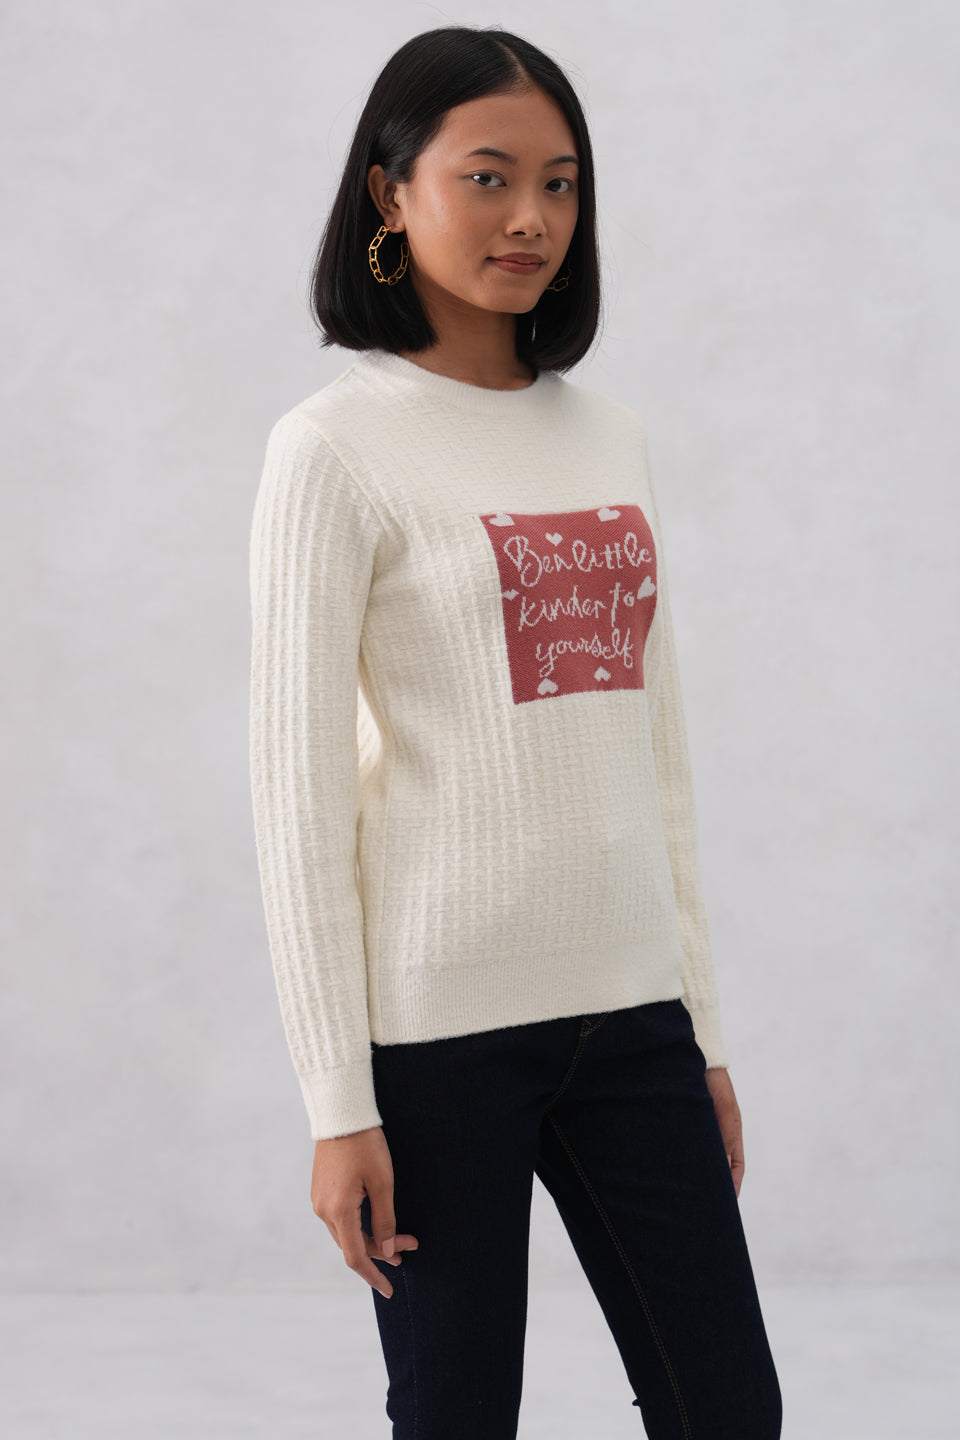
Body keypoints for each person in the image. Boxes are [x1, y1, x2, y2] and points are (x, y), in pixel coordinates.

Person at [248, 23, 783, 1440]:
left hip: (633, 1017)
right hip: (438, 1040)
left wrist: (700, 1030)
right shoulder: (333, 447)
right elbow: (297, 799)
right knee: (458, 1416)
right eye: (487, 177)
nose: (531, 218)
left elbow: (657, 756)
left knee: (729, 1407)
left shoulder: (608, 437)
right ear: (390, 192)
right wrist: (337, 1103)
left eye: (560, 183)